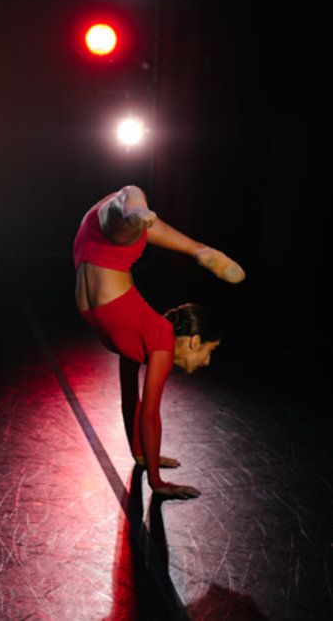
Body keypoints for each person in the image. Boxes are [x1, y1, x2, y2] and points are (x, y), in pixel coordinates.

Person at [73, 186, 245, 499]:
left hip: (91, 245)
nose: (207, 362)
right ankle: (135, 204)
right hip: (104, 257)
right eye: (209, 352)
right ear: (194, 340)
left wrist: (141, 456)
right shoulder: (162, 341)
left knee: (134, 228)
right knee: (132, 213)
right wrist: (157, 481)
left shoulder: (142, 341)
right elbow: (150, 415)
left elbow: (130, 400)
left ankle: (195, 248)